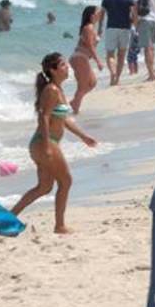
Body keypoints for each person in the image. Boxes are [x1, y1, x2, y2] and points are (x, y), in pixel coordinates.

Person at [11, 53, 98, 233]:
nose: (68, 67)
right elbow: (44, 117)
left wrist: (84, 136)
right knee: (66, 181)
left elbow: (64, 120)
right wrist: (47, 146)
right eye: (64, 65)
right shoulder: (51, 90)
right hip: (45, 142)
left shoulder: (58, 90)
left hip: (44, 143)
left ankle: (9, 217)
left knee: (44, 187)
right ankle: (59, 225)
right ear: (53, 70)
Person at [99, 0, 135, 86]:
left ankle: (113, 74)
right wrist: (134, 24)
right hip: (125, 28)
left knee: (110, 54)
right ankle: (117, 79)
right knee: (121, 55)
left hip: (111, 28)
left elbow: (102, 13)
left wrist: (100, 26)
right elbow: (133, 14)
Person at [68, 6, 104, 114]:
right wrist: (98, 61)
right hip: (79, 57)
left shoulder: (92, 27)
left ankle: (74, 102)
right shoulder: (88, 28)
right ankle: (75, 107)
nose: (100, 14)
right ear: (92, 15)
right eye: (98, 13)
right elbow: (90, 46)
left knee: (92, 83)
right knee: (83, 85)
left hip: (82, 58)